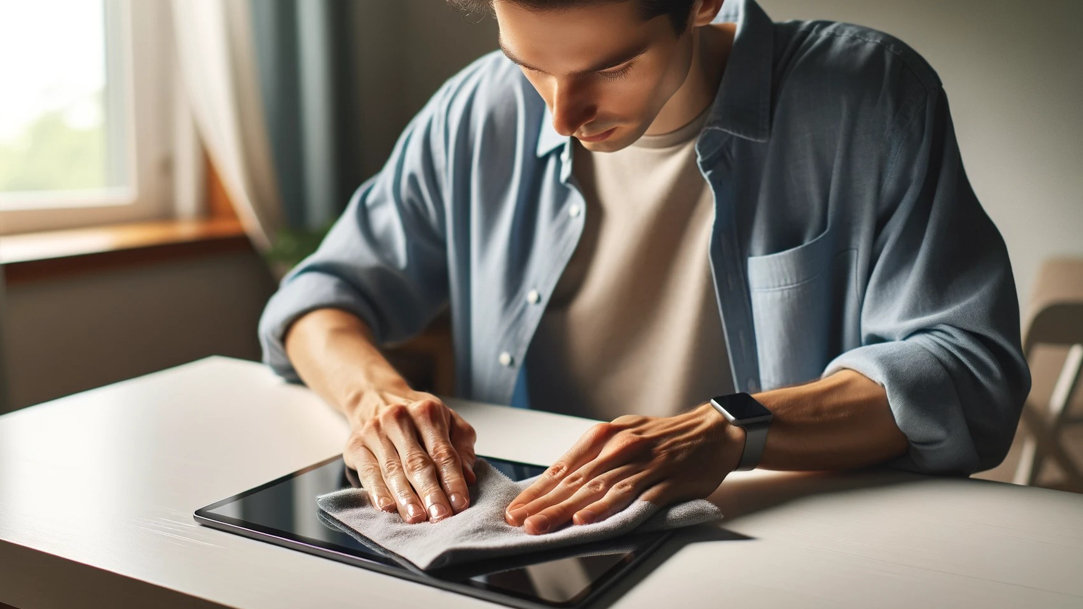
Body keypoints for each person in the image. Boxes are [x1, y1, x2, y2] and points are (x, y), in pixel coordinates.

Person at [259, 0, 1029, 535]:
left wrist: (731, 428)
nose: (561, 115)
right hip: (540, 552)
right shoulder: (477, 111)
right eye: (527, 65)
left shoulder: (866, 97)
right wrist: (377, 402)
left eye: (612, 65)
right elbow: (320, 299)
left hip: (798, 550)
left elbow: (966, 373)